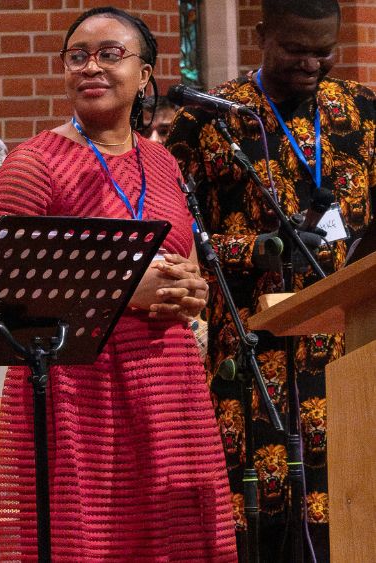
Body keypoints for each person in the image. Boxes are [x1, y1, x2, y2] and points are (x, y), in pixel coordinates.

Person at [0, 7, 236, 561]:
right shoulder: (33, 164)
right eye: (78, 56)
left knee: (178, 545)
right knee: (94, 545)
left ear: (146, 74)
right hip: (79, 391)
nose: (91, 67)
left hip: (169, 386)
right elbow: (0, 290)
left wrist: (195, 292)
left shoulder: (163, 161)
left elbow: (186, 262)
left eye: (110, 54)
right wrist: (124, 288)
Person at [165, 0, 373, 558]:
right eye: (296, 50)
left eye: (323, 51)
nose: (311, 63)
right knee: (261, 527)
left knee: (352, 517)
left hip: (352, 352)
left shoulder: (362, 112)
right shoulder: (210, 118)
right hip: (253, 357)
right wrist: (256, 250)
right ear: (261, 36)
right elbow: (172, 240)